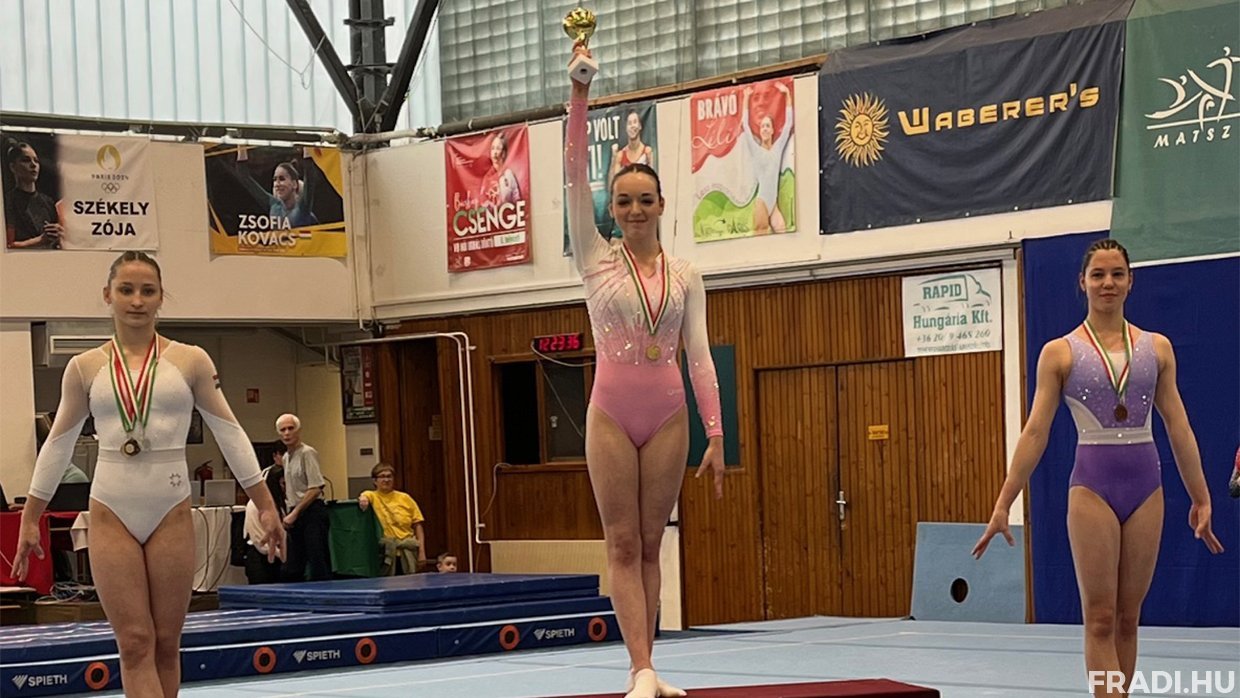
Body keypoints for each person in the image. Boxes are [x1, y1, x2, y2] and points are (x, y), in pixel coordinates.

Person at [10, 251, 286, 697]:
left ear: (161, 298)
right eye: (126, 290)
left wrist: (265, 504)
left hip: (170, 509)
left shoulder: (191, 361)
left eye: (147, 291)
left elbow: (230, 433)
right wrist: (30, 518)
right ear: (108, 295)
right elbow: (58, 445)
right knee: (135, 642)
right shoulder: (85, 367)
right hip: (111, 511)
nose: (137, 301)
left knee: (166, 643)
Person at [972, 239, 1223, 696]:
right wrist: (1004, 503)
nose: (1108, 283)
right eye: (1098, 275)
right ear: (1082, 282)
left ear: (1130, 282)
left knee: (1128, 618)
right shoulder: (1060, 353)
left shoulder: (1157, 348)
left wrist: (1201, 496)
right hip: (1093, 487)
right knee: (1101, 618)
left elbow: (1179, 426)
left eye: (1117, 274)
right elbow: (1035, 432)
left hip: (1146, 487)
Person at [566, 47, 725, 698]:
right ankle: (639, 669)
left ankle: (651, 666)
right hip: (611, 412)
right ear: (611, 207)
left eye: (645, 201)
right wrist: (579, 94)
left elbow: (699, 354)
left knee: (655, 544)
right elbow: (572, 175)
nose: (634, 210)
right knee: (623, 544)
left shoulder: (687, 275)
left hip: (668, 415)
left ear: (661, 205)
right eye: (624, 201)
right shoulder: (595, 258)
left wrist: (716, 433)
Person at [277, 413, 332, 581]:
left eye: (290, 428)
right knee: (293, 565)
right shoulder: (286, 458)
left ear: (298, 430)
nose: (287, 433)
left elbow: (316, 487)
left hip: (311, 511)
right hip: (295, 511)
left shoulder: (307, 453)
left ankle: (325, 594)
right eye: (283, 430)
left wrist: (295, 513)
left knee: (317, 561)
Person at [740, 83, 794, 234]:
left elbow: (789, 123)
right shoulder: (755, 149)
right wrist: (746, 97)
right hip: (762, 202)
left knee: (782, 231)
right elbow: (745, 125)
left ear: (772, 131)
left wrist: (787, 94)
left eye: (767, 126)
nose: (764, 129)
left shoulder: (777, 148)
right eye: (762, 126)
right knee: (761, 233)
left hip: (773, 204)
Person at [358, 462, 426, 575]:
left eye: (389, 476)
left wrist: (422, 552)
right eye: (382, 476)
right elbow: (365, 495)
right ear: (375, 481)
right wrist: (363, 497)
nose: (386, 480)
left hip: (407, 551)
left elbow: (418, 525)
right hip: (385, 554)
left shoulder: (405, 498)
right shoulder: (372, 496)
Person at [4, 141, 63, 249]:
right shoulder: (8, 202)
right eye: (26, 160)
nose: (33, 165)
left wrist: (60, 235)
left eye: (36, 161)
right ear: (13, 167)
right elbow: (8, 245)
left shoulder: (48, 202)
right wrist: (40, 240)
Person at [244, 448, 287, 585]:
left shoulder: (282, 503)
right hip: (259, 558)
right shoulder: (254, 505)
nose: (285, 488)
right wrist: (284, 556)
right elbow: (259, 541)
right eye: (282, 484)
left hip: (275, 556)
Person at [237, 160, 319, 228]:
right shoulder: (274, 205)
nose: (277, 184)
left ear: (294, 184)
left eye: (282, 179)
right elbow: (244, 177)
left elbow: (310, 176)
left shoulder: (302, 208)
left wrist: (307, 153)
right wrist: (241, 150)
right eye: (275, 179)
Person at [609, 110, 655, 184]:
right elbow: (613, 185)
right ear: (626, 129)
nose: (632, 126)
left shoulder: (647, 152)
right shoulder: (620, 156)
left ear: (640, 126)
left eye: (635, 122)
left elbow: (652, 182)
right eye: (629, 123)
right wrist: (613, 158)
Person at [481, 132, 521, 205]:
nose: (495, 152)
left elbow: (516, 197)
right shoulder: (487, 178)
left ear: (503, 153)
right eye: (493, 148)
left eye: (498, 148)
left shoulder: (509, 174)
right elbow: (482, 202)